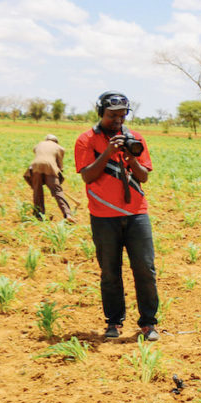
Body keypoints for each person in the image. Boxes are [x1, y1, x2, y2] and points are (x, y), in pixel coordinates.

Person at [74, 91, 160, 341]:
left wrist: (131, 156)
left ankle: (148, 323)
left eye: (122, 116)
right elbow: (88, 176)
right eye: (112, 116)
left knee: (145, 269)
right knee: (110, 271)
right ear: (101, 113)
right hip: (103, 216)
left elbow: (143, 176)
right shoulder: (86, 139)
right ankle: (114, 322)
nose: (117, 121)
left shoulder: (136, 138)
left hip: (136, 214)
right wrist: (108, 153)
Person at [29, 134, 73, 221]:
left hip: (35, 167)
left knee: (37, 190)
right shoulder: (59, 148)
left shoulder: (39, 145)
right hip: (50, 167)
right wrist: (56, 181)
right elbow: (60, 166)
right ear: (56, 142)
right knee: (57, 191)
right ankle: (67, 214)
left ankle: (39, 215)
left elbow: (37, 153)